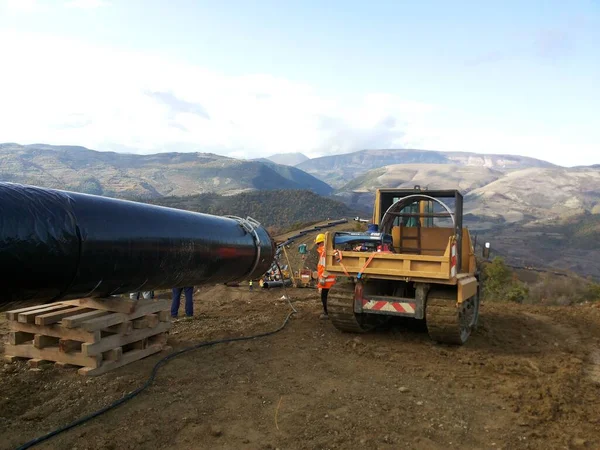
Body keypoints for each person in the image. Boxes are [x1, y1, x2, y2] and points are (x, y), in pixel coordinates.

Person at [315, 233, 336, 320]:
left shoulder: (324, 252)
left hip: (326, 280)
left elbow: (325, 267)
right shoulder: (327, 251)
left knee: (325, 297)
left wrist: (323, 277)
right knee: (327, 297)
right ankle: (328, 312)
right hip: (329, 279)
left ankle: (327, 313)